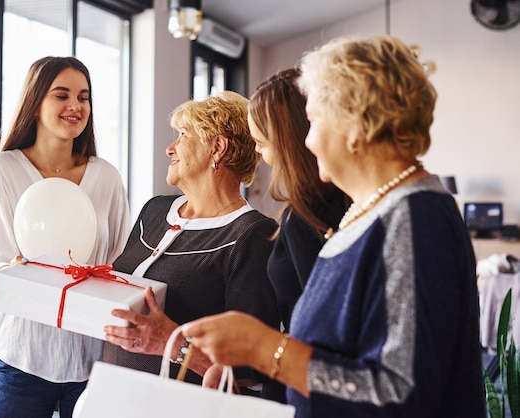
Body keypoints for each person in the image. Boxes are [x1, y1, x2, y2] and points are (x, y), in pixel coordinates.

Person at [182, 34, 485, 417]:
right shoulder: (371, 212)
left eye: (314, 120)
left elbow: (399, 394)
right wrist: (254, 355)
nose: (306, 141)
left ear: (356, 123)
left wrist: (264, 349)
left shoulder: (415, 219)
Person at [0, 56, 131, 418]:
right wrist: (18, 273)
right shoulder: (4, 171)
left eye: (83, 97)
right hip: (23, 356)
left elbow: (121, 264)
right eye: (61, 95)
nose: (75, 106)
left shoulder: (106, 177)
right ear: (35, 103)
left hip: (92, 360)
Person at [102, 91, 280, 390]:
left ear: (218, 148)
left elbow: (249, 374)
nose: (170, 149)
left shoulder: (252, 236)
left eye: (183, 135)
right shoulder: (155, 209)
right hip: (110, 390)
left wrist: (174, 344)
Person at [246, 68, 350, 403]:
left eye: (262, 141)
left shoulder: (306, 214)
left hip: (306, 382)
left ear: (286, 134)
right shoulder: (338, 200)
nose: (258, 151)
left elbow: (321, 325)